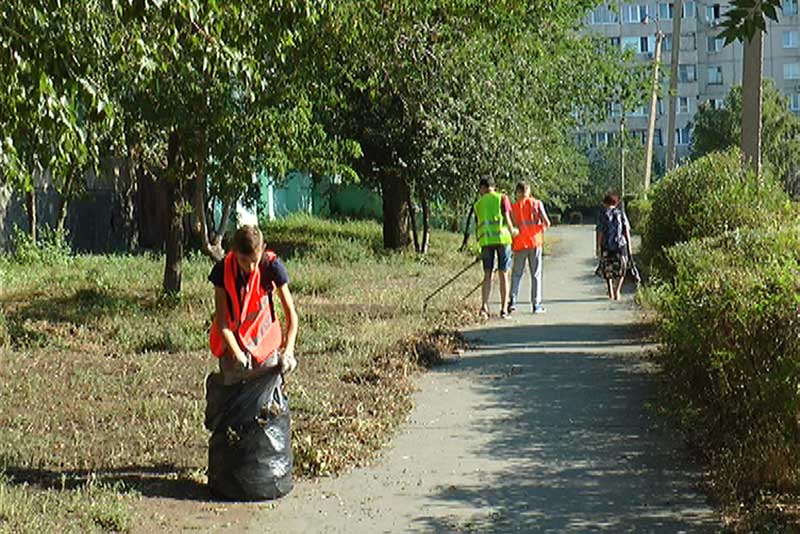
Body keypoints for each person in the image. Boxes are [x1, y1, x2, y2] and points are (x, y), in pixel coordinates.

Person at [208, 225, 299, 384]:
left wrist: (289, 351)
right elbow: (222, 323)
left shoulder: (272, 267)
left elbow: (291, 315)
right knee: (233, 397)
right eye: (244, 260)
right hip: (231, 347)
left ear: (263, 249)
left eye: (254, 261)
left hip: (264, 345)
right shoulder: (222, 271)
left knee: (267, 399)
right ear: (234, 252)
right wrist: (238, 354)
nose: (250, 267)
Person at [472, 177, 518, 318]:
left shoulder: (478, 204)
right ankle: (504, 309)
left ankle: (484, 307)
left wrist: (479, 247)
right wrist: (513, 231)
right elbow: (507, 218)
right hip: (502, 240)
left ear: (483, 188)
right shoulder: (502, 198)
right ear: (493, 186)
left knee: (487, 274)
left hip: (486, 242)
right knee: (503, 274)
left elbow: (478, 226)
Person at [509, 182, 551, 314]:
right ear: (528, 191)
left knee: (516, 274)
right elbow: (547, 222)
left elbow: (512, 226)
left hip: (519, 244)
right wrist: (540, 229)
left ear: (518, 192)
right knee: (536, 274)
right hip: (534, 242)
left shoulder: (513, 207)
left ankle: (512, 301)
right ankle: (536, 304)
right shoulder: (537, 204)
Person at [595, 193, 632, 301]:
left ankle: (610, 290)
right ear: (616, 203)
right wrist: (629, 246)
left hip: (606, 245)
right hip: (620, 245)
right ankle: (617, 291)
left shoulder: (602, 215)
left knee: (607, 268)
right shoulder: (621, 214)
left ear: (605, 203)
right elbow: (626, 231)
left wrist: (597, 247)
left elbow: (599, 232)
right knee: (622, 268)